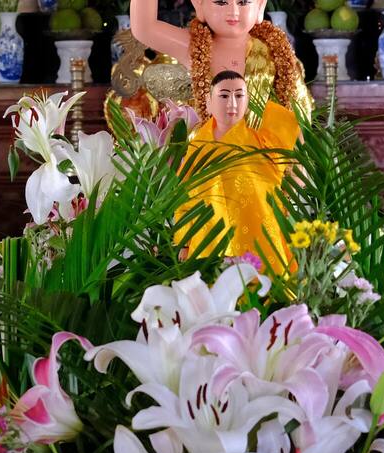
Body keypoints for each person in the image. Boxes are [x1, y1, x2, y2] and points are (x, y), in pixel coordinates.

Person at [179, 71, 302, 271]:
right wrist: (184, 242)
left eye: (239, 95)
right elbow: (185, 197)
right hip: (211, 235)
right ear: (209, 101)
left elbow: (290, 130)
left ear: (248, 100)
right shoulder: (198, 147)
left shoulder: (264, 143)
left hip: (258, 231)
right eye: (224, 95)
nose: (232, 104)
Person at [128, 0, 312, 114]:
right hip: (210, 161)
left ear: (260, 5)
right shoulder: (194, 47)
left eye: (243, 2)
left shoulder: (275, 51)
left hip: (260, 163)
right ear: (199, 4)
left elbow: (297, 113)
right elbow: (145, 28)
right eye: (221, 2)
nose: (233, 11)